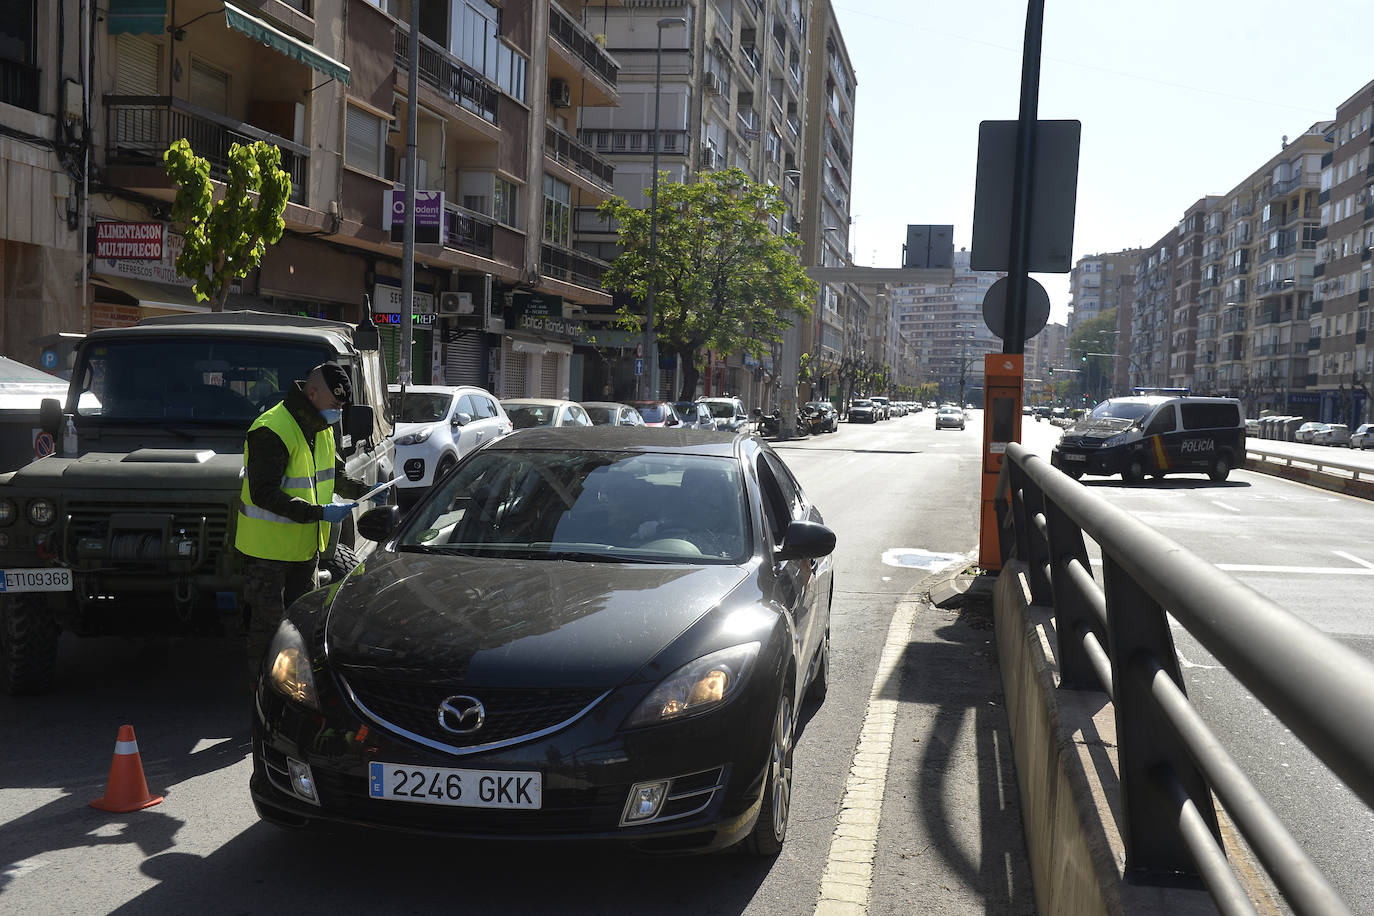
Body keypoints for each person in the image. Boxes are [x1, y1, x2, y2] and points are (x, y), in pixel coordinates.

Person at [235, 362, 368, 686]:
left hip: (304, 551)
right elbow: (264, 493)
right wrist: (319, 513)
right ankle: (262, 699)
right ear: (311, 394)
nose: (338, 412)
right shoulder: (271, 428)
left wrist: (368, 492)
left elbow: (334, 476)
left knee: (300, 628)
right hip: (266, 553)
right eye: (334, 405)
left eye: (341, 407)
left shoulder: (321, 427)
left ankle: (292, 695)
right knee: (268, 631)